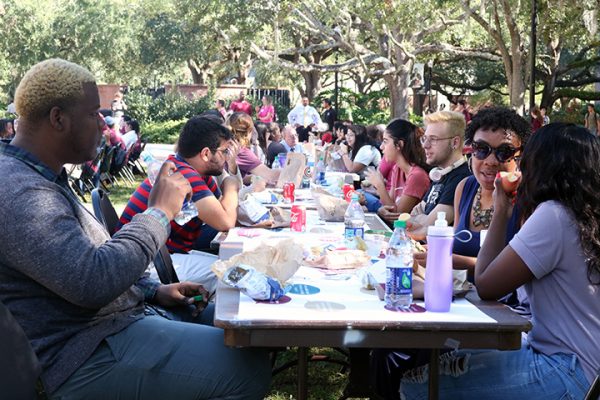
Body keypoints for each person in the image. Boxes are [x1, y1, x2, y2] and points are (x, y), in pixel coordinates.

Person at [0, 58, 270, 400]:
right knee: (245, 369)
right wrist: (158, 214)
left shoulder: (42, 177)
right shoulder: (19, 193)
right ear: (58, 119)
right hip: (81, 354)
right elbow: (91, 281)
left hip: (112, 323)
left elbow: (76, 266)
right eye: (93, 113)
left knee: (245, 330)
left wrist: (150, 291)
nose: (103, 124)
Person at [401, 123, 600, 399]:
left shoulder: (554, 216)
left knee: (418, 385)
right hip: (585, 368)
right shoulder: (583, 216)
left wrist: (501, 211)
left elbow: (487, 284)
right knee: (449, 355)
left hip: (565, 371)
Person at [118, 116, 240, 294]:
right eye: (225, 152)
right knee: (231, 274)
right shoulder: (183, 175)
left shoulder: (190, 169)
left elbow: (223, 208)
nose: (227, 157)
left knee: (233, 265)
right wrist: (231, 184)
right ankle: (222, 321)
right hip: (144, 265)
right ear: (206, 153)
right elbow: (226, 221)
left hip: (163, 253)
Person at [406, 111, 472, 240]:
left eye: (433, 139)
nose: (425, 145)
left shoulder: (462, 177)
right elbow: (414, 215)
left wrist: (422, 219)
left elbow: (425, 228)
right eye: (425, 139)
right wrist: (421, 219)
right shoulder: (440, 173)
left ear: (455, 142)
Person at [364, 119, 431, 223]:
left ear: (399, 144)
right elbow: (390, 205)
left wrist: (379, 185)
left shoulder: (417, 176)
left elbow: (396, 217)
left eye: (385, 141)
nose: (381, 147)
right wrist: (381, 210)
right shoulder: (397, 168)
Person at [228, 111, 280, 183]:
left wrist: (253, 178)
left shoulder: (226, 145)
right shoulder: (241, 151)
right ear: (250, 131)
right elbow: (270, 176)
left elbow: (237, 177)